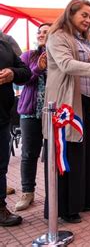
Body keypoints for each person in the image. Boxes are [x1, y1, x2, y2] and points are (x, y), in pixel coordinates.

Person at [43, 0, 90, 223]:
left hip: (89, 101)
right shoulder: (57, 37)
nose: (87, 20)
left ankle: (86, 198)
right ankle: (67, 207)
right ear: (70, 13)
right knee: (69, 153)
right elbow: (67, 64)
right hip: (67, 103)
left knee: (88, 153)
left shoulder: (88, 38)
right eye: (84, 15)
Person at [14, 23, 51, 211]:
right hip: (30, 112)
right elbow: (22, 79)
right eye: (40, 32)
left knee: (53, 155)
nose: (41, 34)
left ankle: (53, 193)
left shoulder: (59, 56)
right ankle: (27, 192)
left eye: (46, 32)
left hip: (54, 114)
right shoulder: (28, 55)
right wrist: (38, 68)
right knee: (29, 154)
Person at [0, 39, 31, 227]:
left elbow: (25, 73)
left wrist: (13, 73)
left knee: (0, 165)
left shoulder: (4, 45)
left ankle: (0, 207)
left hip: (2, 116)